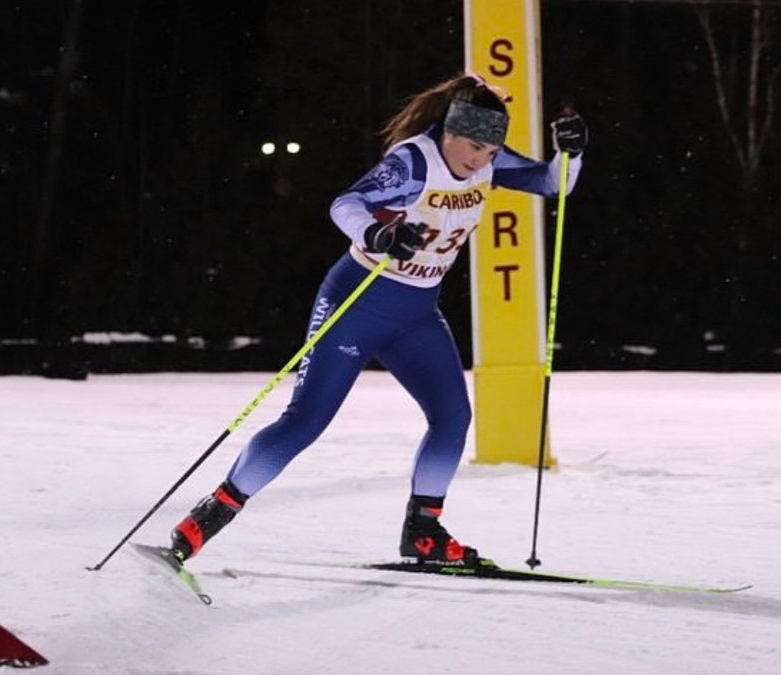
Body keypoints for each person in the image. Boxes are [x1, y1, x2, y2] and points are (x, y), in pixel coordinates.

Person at [160, 73, 588, 568]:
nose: (481, 160)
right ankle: (209, 516)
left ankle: (423, 532)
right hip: (356, 304)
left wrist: (571, 154)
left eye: (491, 150)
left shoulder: (485, 159)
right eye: (473, 146)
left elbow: (553, 185)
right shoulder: (414, 161)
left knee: (452, 416)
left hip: (416, 314)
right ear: (450, 131)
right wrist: (377, 235)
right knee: (306, 421)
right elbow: (344, 204)